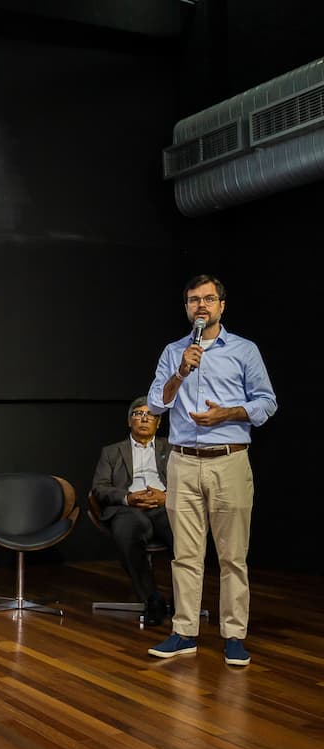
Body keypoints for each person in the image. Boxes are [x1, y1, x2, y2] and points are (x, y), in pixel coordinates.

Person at [145, 275, 277, 667]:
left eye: (207, 299)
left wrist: (229, 413)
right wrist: (182, 372)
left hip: (229, 459)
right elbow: (156, 403)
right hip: (183, 461)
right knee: (185, 554)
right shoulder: (174, 352)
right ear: (186, 308)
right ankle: (184, 632)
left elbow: (267, 403)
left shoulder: (244, 350)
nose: (200, 306)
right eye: (192, 300)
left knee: (233, 556)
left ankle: (234, 636)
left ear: (221, 305)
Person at [91, 397, 174, 626]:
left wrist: (167, 497)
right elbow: (99, 487)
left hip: (164, 506)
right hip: (127, 509)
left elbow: (188, 483)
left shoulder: (173, 448)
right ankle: (151, 599)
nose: (144, 418)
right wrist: (127, 498)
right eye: (138, 414)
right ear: (129, 421)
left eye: (150, 415)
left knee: (186, 534)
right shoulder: (111, 452)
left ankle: (182, 599)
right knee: (129, 530)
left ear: (158, 423)